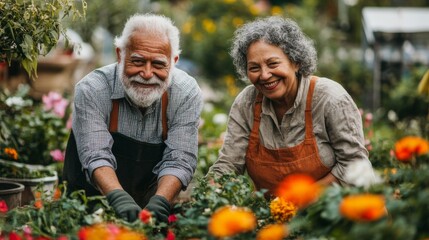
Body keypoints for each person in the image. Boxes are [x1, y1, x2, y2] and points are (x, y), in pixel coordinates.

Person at [208, 16, 376, 195]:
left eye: (273, 63)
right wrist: (207, 196)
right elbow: (228, 165)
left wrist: (298, 199)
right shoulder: (247, 103)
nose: (264, 75)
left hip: (336, 213)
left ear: (296, 62)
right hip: (277, 217)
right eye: (254, 68)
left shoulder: (329, 98)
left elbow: (355, 166)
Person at [63, 13, 203, 223]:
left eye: (158, 64)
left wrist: (161, 202)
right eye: (137, 61)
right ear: (120, 55)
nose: (147, 74)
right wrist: (118, 198)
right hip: (90, 206)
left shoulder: (185, 92)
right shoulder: (93, 89)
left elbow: (180, 157)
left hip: (152, 207)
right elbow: (95, 153)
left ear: (174, 61)